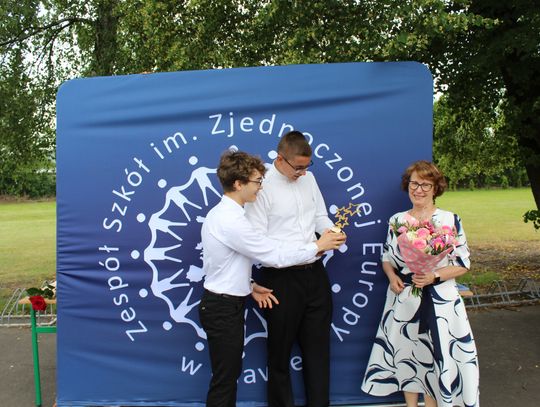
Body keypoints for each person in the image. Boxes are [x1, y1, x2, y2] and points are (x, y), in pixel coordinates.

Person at [199, 150, 346, 407]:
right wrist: (317, 246)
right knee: (225, 381)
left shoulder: (226, 215)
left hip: (226, 303)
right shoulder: (231, 221)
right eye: (257, 181)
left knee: (227, 378)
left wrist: (250, 285)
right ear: (238, 184)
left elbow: (221, 265)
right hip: (223, 308)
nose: (261, 186)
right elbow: (274, 255)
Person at [361, 160, 480, 407]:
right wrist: (391, 276)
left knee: (437, 354)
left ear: (436, 188)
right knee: (407, 353)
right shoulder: (397, 220)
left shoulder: (450, 220)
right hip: (405, 297)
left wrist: (434, 276)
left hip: (441, 301)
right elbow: (387, 257)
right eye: (414, 184)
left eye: (426, 185)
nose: (419, 190)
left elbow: (463, 264)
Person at [245, 131, 345, 407]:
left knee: (319, 352)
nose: (303, 173)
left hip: (315, 275)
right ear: (280, 159)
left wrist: (332, 232)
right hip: (280, 280)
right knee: (279, 354)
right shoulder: (261, 185)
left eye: (307, 166)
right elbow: (259, 242)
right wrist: (314, 246)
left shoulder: (309, 178)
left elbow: (320, 216)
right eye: (298, 167)